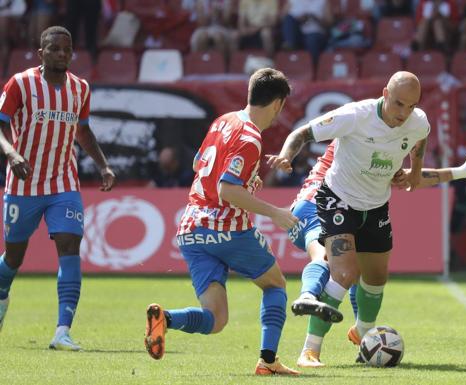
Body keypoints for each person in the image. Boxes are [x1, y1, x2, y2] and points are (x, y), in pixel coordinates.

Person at [267, 71, 466, 364]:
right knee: (343, 272)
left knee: (376, 278)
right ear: (385, 93)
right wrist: (286, 156)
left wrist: (416, 168)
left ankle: (364, 339)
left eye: (411, 106)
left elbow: (422, 136)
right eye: (399, 104)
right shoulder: (355, 116)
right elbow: (302, 133)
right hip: (336, 200)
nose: (404, 113)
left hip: (376, 207)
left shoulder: (418, 122)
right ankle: (310, 349)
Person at [143, 68, 300, 375]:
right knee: (275, 285)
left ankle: (166, 318)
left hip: (191, 228)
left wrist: (241, 182)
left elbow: (197, 162)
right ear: (278, 103)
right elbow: (227, 190)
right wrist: (276, 213)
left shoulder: (223, 121)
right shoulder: (251, 138)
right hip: (227, 229)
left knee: (215, 319)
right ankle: (268, 361)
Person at [287, 139, 466, 367]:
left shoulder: (384, 144)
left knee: (366, 273)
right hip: (315, 204)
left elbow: (408, 178)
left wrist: (461, 171)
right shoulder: (361, 133)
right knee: (330, 260)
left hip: (353, 208)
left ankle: (363, 332)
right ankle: (309, 330)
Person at [0, 26, 116, 350]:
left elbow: (83, 132)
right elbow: (1, 123)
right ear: (41, 53)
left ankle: (62, 331)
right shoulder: (21, 84)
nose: (61, 54)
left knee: (69, 246)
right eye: (54, 49)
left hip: (63, 183)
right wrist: (11, 153)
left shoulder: (80, 89)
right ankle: (2, 296)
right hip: (23, 185)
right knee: (13, 258)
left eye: (66, 49)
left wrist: (103, 164)